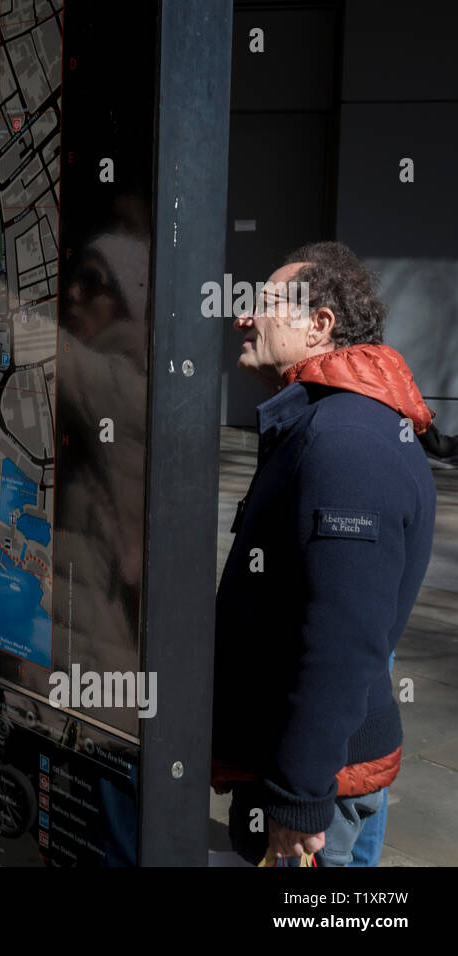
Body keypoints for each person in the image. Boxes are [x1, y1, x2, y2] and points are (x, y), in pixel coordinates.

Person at [213, 241, 436, 867]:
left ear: (319, 325)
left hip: (317, 790)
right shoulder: (331, 423)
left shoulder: (345, 440)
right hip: (315, 769)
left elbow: (344, 637)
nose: (242, 317)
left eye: (262, 303)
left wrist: (298, 801)